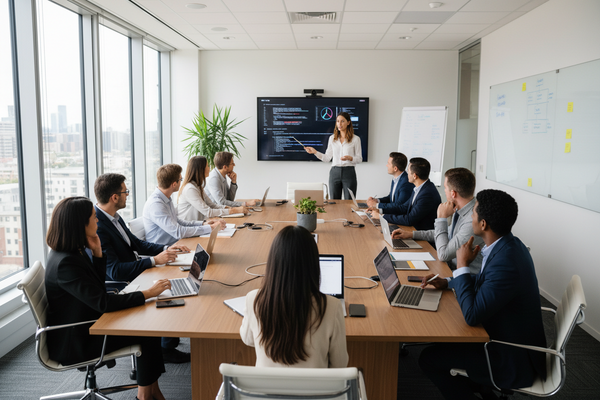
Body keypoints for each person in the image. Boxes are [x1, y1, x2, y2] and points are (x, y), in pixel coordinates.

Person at [418, 189, 546, 399]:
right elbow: (486, 281)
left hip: (509, 355)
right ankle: (480, 387)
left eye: (474, 213)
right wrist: (450, 281)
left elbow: (472, 315)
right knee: (444, 341)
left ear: (484, 224)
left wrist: (461, 265)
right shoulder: (507, 245)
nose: (471, 217)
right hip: (501, 333)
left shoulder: (507, 262)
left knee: (429, 359)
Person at [45, 197, 171, 400]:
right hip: (77, 340)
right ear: (80, 224)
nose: (97, 221)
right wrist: (147, 293)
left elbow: (96, 289)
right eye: (94, 218)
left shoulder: (70, 252)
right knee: (147, 332)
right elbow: (102, 302)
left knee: (147, 327)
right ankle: (145, 395)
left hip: (87, 323)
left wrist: (97, 253)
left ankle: (151, 391)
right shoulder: (66, 263)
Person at [94, 173, 191, 363]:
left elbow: (137, 244)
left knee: (172, 277)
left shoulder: (114, 217)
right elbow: (114, 271)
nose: (127, 195)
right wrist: (154, 261)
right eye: (125, 191)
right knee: (167, 285)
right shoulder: (99, 226)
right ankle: (166, 348)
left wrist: (166, 249)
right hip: (120, 283)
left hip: (133, 273)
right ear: (115, 197)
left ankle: (168, 341)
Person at [240, 225, 348, 368]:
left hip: (267, 390)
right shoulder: (331, 306)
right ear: (314, 264)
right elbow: (340, 364)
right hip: (316, 390)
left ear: (273, 262)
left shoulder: (254, 299)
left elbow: (248, 339)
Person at [391, 167, 483, 274]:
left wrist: (441, 219)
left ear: (453, 193)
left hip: (461, 277)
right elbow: (446, 233)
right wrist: (411, 234)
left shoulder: (473, 219)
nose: (444, 191)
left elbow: (444, 255)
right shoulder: (461, 209)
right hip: (447, 267)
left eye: (445, 188)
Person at [143, 163, 225, 246]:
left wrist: (204, 223)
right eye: (180, 180)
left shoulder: (166, 198)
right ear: (174, 184)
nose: (181, 183)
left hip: (176, 243)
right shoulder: (156, 204)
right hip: (164, 250)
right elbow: (178, 232)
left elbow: (177, 221)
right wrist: (211, 228)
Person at [369, 157, 441, 230]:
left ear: (415, 176)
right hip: (411, 230)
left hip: (420, 236)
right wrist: (381, 210)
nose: (406, 174)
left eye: (408, 171)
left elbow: (409, 219)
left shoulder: (427, 194)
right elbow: (403, 207)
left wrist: (382, 217)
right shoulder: (419, 188)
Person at [304, 112, 363, 200]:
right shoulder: (332, 138)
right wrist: (315, 152)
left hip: (349, 172)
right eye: (337, 121)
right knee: (334, 202)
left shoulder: (356, 139)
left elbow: (359, 159)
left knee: (349, 201)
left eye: (342, 121)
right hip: (334, 172)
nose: (339, 124)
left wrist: (350, 158)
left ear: (348, 122)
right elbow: (327, 158)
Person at [178, 156, 247, 221]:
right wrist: (234, 210)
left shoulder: (198, 186)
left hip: (198, 226)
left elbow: (212, 205)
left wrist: (231, 208)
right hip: (189, 230)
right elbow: (208, 212)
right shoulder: (190, 189)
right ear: (201, 169)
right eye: (207, 166)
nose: (209, 168)